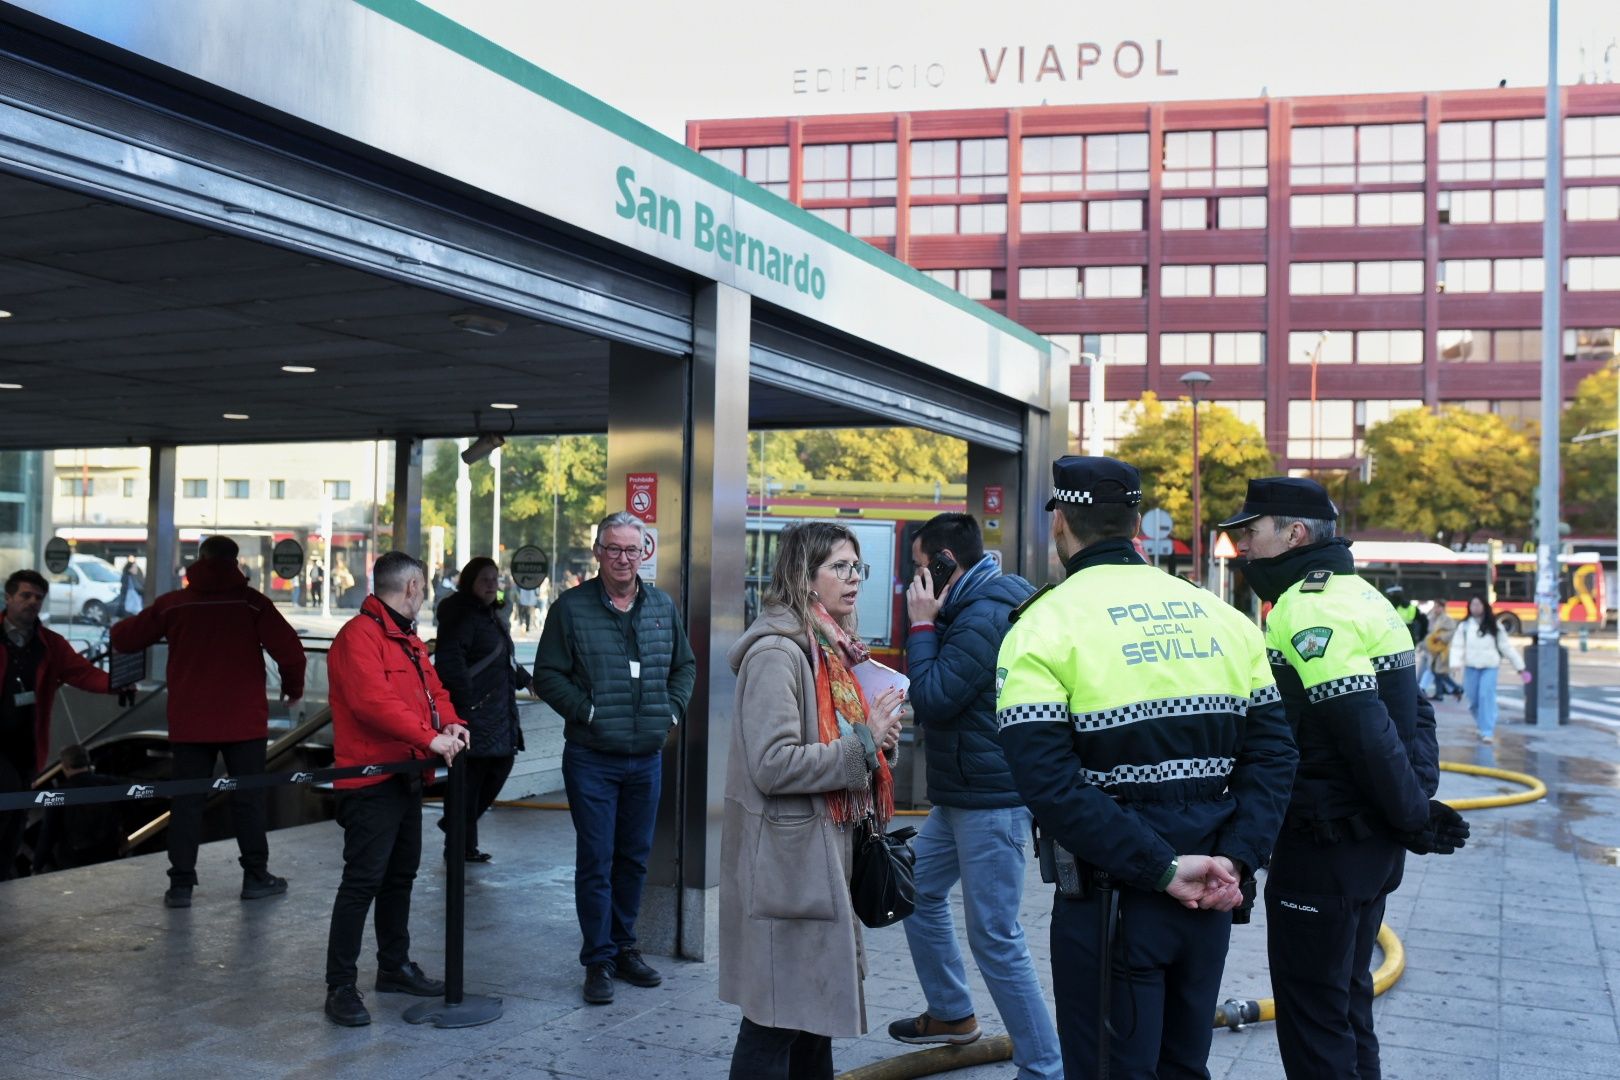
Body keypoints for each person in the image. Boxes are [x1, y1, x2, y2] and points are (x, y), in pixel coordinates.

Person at [996, 457, 1297, 1079]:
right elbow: (1274, 754)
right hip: (1213, 896)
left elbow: (1048, 783)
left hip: (1114, 903)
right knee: (1185, 1069)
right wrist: (1236, 858)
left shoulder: (1043, 625)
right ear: (1136, 523)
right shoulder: (1222, 618)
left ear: (1061, 526)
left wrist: (1161, 869)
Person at [1224, 476, 1467, 1080]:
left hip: (1324, 845)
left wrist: (1414, 815)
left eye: (1250, 533)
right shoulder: (1364, 596)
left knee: (1314, 1017)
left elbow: (1362, 725)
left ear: (1295, 534)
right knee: (1349, 1003)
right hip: (1368, 846)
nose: (1242, 549)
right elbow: (1416, 713)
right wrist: (1414, 804)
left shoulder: (1307, 608)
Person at [719, 521, 904, 1080]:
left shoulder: (832, 649)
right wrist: (864, 742)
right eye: (840, 568)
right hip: (788, 866)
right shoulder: (778, 653)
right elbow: (773, 765)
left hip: (822, 861)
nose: (853, 580)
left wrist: (876, 743)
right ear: (804, 575)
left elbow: (846, 748)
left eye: (858, 568)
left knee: (810, 1018)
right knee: (776, 1019)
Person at [889, 513, 1061, 1079]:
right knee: (913, 889)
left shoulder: (983, 614)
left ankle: (1042, 1066)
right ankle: (953, 1014)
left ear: (945, 564)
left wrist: (920, 625)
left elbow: (934, 698)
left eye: (920, 569)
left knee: (995, 934)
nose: (914, 582)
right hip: (965, 793)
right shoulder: (972, 604)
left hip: (994, 800)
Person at [533, 511, 697, 1004]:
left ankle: (626, 948)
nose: (624, 558)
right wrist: (586, 711)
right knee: (596, 861)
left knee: (633, 859)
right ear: (598, 553)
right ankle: (598, 960)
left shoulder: (662, 607)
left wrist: (669, 713)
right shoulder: (570, 608)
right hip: (591, 757)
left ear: (644, 553)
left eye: (632, 549)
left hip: (646, 756)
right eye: (614, 549)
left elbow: (684, 666)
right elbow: (547, 674)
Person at [111, 534, 306, 908]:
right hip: (244, 722)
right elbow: (291, 651)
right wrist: (293, 688)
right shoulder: (251, 604)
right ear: (236, 563)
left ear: (199, 560)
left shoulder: (174, 605)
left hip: (190, 723)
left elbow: (124, 637)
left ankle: (181, 885)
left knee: (186, 803)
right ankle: (255, 876)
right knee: (248, 800)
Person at [322, 550, 469, 1027]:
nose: (425, 596)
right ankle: (341, 985)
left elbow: (434, 692)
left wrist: (452, 722)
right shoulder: (359, 638)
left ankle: (393, 966)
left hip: (406, 774)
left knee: (400, 876)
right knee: (362, 881)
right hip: (370, 780)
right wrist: (430, 737)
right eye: (423, 588)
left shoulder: (407, 639)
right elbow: (373, 704)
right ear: (411, 588)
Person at [0, 571, 116, 879]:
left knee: (15, 819)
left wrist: (116, 684)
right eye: (25, 595)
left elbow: (83, 673)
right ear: (8, 597)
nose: (32, 602)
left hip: (26, 747)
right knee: (7, 800)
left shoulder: (49, 644)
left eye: (38, 597)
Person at [433, 556, 530, 863]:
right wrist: (464, 704)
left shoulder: (490, 615)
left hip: (498, 714)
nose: (492, 585)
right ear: (469, 583)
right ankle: (458, 844)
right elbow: (451, 663)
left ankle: (460, 834)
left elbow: (503, 660)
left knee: (493, 771)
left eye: (495, 579)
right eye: (485, 580)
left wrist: (526, 679)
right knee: (468, 782)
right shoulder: (461, 616)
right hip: (472, 713)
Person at [1450, 594, 1529, 744]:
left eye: (1478, 604)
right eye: (1473, 605)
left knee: (1486, 697)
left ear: (1484, 606)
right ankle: (1481, 724)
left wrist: (1520, 667)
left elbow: (1506, 647)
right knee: (1473, 700)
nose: (1476, 608)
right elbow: (1457, 646)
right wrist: (1455, 664)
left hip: (1490, 667)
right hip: (1471, 667)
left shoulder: (1495, 626)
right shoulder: (1464, 626)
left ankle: (1487, 731)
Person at [34, 743, 123, 872]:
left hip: (74, 863)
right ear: (88, 761)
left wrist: (37, 866)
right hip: (109, 855)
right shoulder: (111, 783)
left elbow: (48, 833)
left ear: (65, 766)